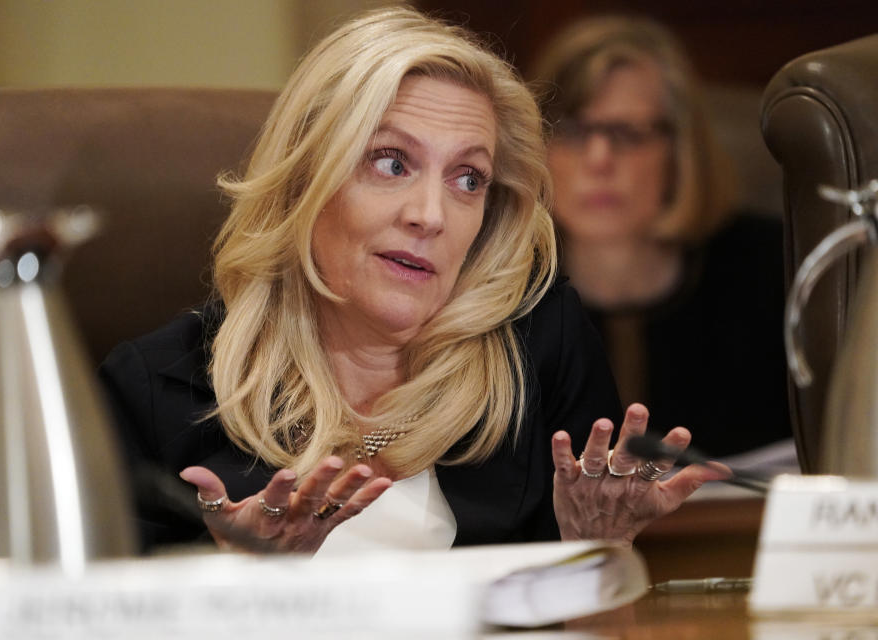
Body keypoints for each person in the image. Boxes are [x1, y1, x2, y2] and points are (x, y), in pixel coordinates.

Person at [99, 6, 725, 556]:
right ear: (303, 180)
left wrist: (597, 551)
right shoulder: (154, 391)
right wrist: (243, 592)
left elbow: (587, 609)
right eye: (391, 162)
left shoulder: (539, 349)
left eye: (468, 179)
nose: (430, 215)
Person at [531, 16, 792, 460]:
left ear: (680, 151)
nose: (598, 160)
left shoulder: (776, 268)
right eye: (572, 131)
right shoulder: (503, 295)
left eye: (628, 134)